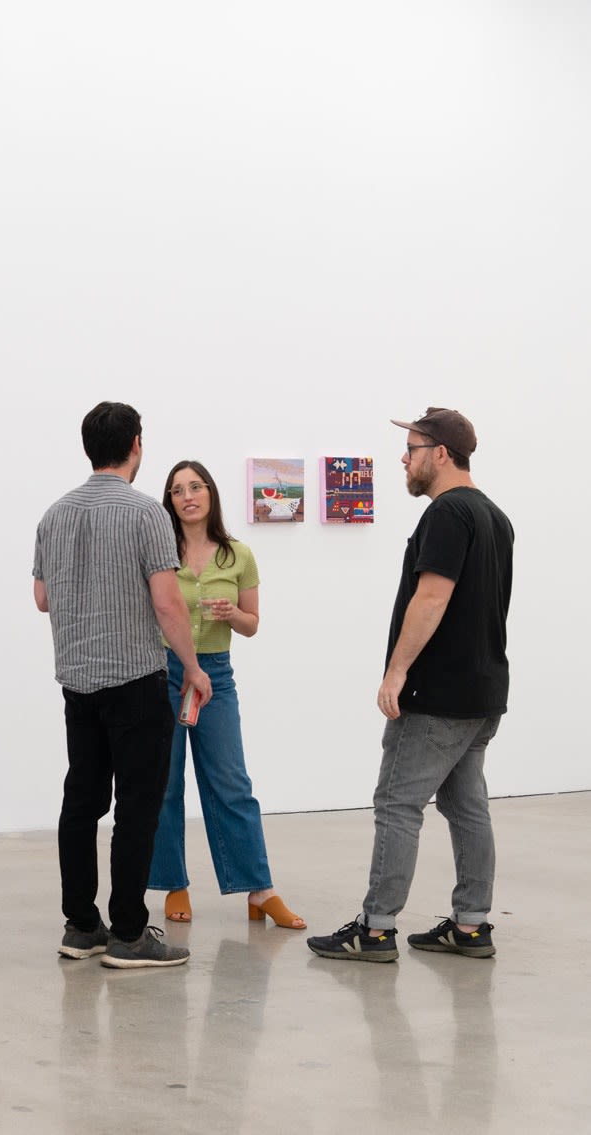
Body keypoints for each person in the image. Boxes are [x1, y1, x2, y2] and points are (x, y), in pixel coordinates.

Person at [308, 408, 512, 963]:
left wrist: (397, 671)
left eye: (414, 447)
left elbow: (432, 598)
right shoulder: (494, 516)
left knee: (397, 803)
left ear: (441, 454)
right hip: (483, 692)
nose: (404, 457)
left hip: (437, 695)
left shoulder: (447, 514)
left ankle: (375, 929)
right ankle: (472, 926)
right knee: (467, 806)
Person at [32, 401, 211, 970]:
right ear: (136, 443)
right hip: (134, 680)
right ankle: (131, 934)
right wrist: (193, 666)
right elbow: (166, 601)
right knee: (138, 806)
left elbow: (41, 598)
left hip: (78, 681)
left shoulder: (54, 515)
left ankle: (82, 925)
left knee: (82, 801)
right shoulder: (145, 515)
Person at [148, 461, 304, 930]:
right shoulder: (158, 552)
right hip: (163, 673)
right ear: (169, 501)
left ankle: (260, 890)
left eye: (196, 487)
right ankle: (174, 882)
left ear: (211, 494)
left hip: (216, 673)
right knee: (164, 784)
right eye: (177, 490)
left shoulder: (238, 555)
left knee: (231, 783)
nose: (188, 496)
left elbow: (252, 625)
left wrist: (233, 612)